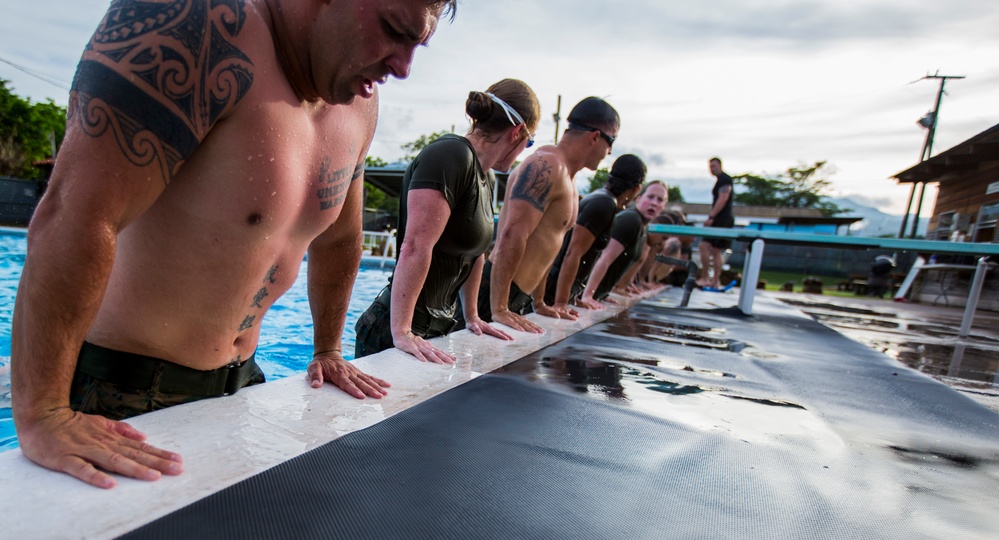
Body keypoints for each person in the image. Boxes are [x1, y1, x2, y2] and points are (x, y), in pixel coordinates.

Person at [10, 0, 456, 489]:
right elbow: (73, 213)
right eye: (394, 30)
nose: (405, 67)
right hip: (122, 390)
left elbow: (341, 237)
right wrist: (43, 412)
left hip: (243, 382)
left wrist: (328, 347)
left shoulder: (359, 103)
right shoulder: (195, 22)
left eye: (418, 45)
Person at [354, 79, 539, 363]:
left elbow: (475, 253)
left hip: (438, 328)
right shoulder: (450, 155)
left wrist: (472, 316)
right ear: (517, 133)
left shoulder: (486, 176)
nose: (525, 149)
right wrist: (402, 331)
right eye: (530, 141)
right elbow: (416, 245)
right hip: (393, 332)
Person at [476, 97, 620, 333]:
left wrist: (539, 301)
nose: (610, 151)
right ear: (595, 136)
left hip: (515, 297)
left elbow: (548, 243)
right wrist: (499, 307)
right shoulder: (546, 165)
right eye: (611, 140)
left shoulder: (569, 180)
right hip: (496, 293)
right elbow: (512, 234)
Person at [545, 155, 646, 311]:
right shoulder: (604, 203)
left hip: (559, 287)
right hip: (552, 290)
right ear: (636, 189)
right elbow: (572, 252)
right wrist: (561, 302)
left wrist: (573, 299)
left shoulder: (603, 199)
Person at [579, 181, 668, 308]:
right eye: (650, 197)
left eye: (660, 200)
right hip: (581, 289)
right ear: (638, 198)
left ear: (663, 206)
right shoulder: (630, 220)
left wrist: (603, 293)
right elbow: (604, 258)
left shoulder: (641, 226)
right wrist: (588, 295)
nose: (654, 203)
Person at [698, 157, 735, 289]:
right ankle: (709, 279)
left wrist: (711, 216)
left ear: (720, 165)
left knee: (714, 249)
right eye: (710, 167)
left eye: (713, 166)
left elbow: (723, 198)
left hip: (722, 220)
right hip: (719, 219)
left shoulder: (725, 180)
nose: (711, 169)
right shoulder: (720, 181)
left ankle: (711, 280)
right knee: (708, 248)